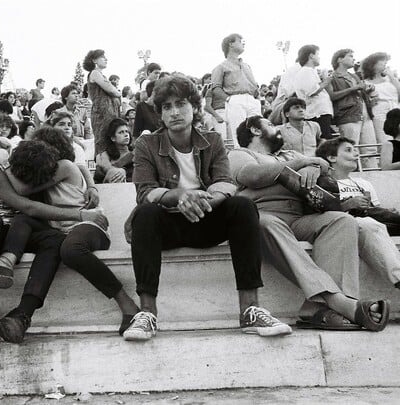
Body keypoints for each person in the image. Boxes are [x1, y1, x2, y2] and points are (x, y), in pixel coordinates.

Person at [122, 75, 292, 341]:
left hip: (207, 220)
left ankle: (250, 309)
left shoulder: (212, 141)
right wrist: (179, 197)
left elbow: (225, 183)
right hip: (168, 226)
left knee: (243, 206)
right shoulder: (147, 144)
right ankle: (147, 314)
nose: (174, 112)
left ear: (194, 107)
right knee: (145, 213)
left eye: (180, 104)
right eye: (166, 107)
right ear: (160, 114)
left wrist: (200, 202)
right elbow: (145, 191)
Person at [230, 115, 390, 332]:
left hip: (300, 215)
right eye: (269, 124)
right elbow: (252, 176)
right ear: (254, 130)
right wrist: (301, 164)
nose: (276, 128)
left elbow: (323, 165)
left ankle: (318, 309)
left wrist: (314, 168)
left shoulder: (290, 153)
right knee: (264, 224)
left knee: (342, 221)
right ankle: (339, 303)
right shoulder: (241, 154)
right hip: (264, 213)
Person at [0, 133, 103, 344]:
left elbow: (75, 165)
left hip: (15, 232)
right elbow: (27, 205)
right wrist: (80, 214)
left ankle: (22, 315)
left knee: (55, 240)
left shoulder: (41, 167)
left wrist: (92, 185)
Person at [0, 136, 138, 336]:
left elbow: (21, 189)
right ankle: (10, 271)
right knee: (22, 220)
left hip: (89, 224)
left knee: (70, 249)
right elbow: (30, 204)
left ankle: (127, 304)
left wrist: (4, 162)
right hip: (61, 231)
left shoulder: (62, 166)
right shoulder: (43, 174)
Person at [316, 137, 400, 288]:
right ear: (331, 157)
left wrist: (388, 211)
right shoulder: (323, 183)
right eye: (348, 150)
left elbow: (377, 211)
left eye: (355, 150)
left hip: (374, 223)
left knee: (372, 222)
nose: (356, 154)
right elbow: (322, 213)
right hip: (349, 225)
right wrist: (348, 204)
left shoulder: (363, 183)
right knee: (367, 223)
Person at [326, 49, 378, 169]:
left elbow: (359, 90)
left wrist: (367, 90)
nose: (353, 59)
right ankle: (353, 177)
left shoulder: (353, 75)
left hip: (365, 113)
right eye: (350, 56)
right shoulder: (332, 77)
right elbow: (332, 96)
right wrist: (353, 89)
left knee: (370, 148)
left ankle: (373, 175)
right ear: (340, 59)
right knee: (350, 148)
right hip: (348, 116)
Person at [211, 34, 260, 148]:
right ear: (230, 44)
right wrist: (229, 99)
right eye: (240, 40)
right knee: (239, 134)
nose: (243, 43)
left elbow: (254, 85)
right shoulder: (221, 67)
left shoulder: (247, 66)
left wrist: (256, 97)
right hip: (235, 100)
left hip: (252, 100)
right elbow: (215, 88)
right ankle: (242, 161)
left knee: (258, 131)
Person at [83, 49, 121, 155]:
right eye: (102, 57)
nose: (106, 59)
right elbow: (110, 89)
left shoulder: (101, 75)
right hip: (102, 114)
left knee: (111, 142)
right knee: (103, 143)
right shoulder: (95, 73)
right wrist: (118, 93)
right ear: (94, 60)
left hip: (109, 113)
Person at [292, 45, 334, 139]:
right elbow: (312, 91)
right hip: (317, 114)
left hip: (320, 113)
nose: (319, 57)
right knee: (324, 141)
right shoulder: (305, 71)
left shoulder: (310, 71)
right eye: (318, 54)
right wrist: (326, 81)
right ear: (311, 56)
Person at [362, 52, 400, 143]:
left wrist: (392, 77)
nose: (385, 65)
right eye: (382, 63)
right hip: (379, 111)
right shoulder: (365, 83)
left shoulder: (390, 79)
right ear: (373, 65)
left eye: (385, 63)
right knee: (385, 139)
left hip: (395, 109)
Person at [95, 117, 133, 183]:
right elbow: (98, 180)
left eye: (127, 131)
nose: (126, 135)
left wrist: (123, 171)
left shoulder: (134, 155)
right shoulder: (104, 157)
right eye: (121, 132)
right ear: (113, 138)